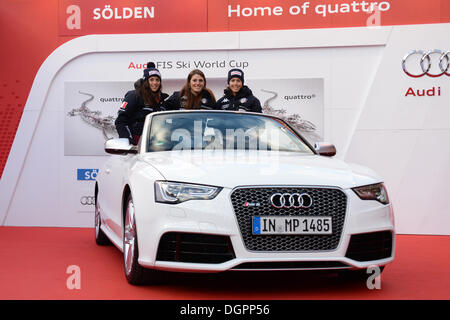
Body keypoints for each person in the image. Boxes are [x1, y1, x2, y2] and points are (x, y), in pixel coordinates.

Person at [115, 62, 169, 145]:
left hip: (157, 145)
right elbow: (121, 121)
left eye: (157, 80)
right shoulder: (134, 96)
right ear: (145, 81)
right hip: (137, 145)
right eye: (151, 80)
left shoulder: (162, 99)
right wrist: (129, 141)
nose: (155, 83)